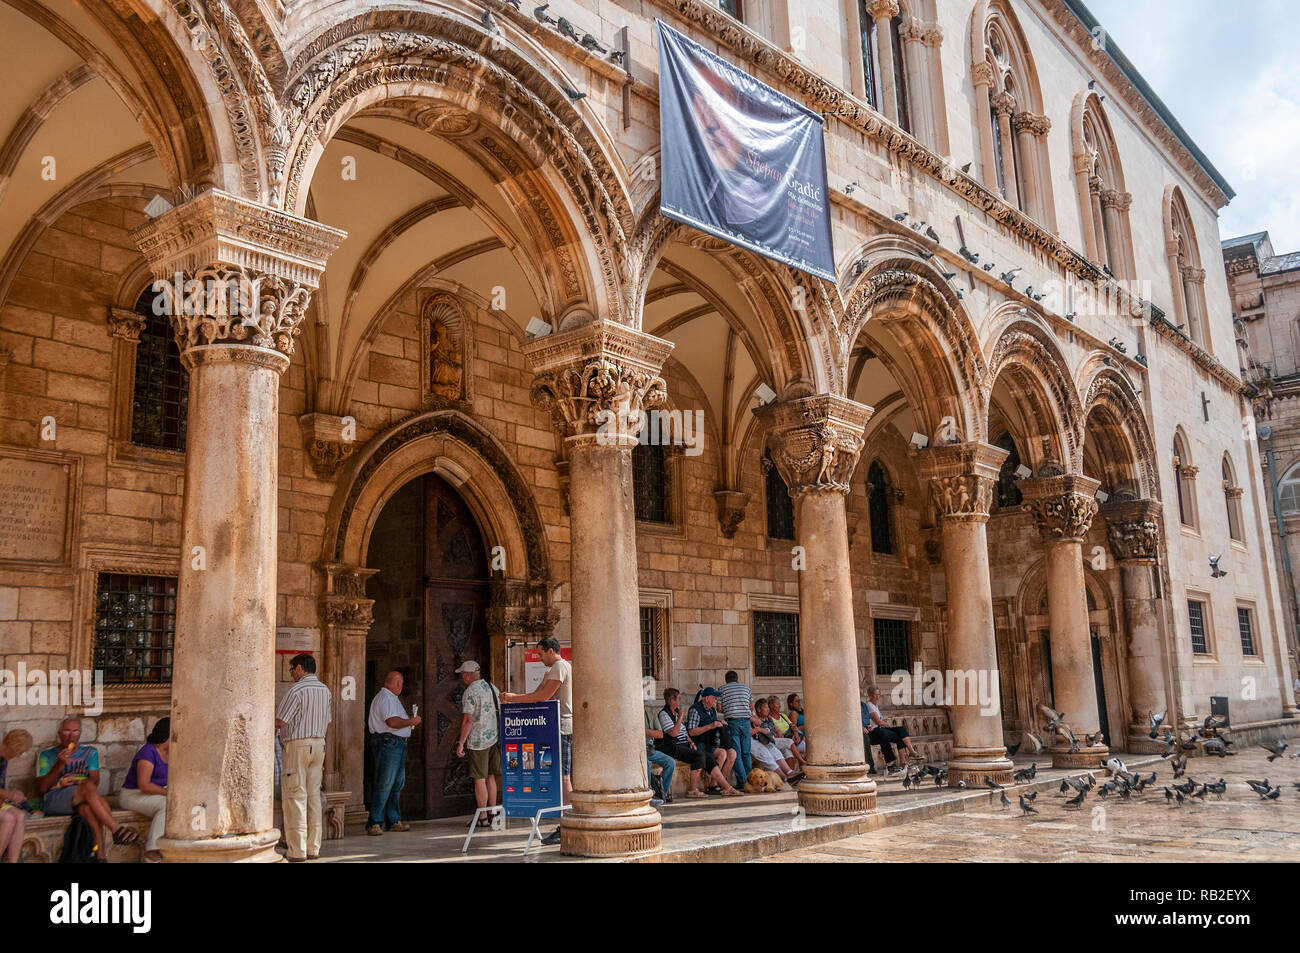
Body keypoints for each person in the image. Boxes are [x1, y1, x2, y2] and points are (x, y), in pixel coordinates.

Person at [501, 637, 574, 845]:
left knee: (563, 776)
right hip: (551, 728)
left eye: (541, 654)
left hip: (561, 727)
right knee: (558, 775)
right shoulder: (553, 670)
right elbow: (536, 695)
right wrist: (516, 701)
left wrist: (513, 698)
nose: (540, 658)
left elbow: (543, 697)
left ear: (551, 651)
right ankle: (565, 822)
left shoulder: (560, 666)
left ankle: (568, 823)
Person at [36, 718, 137, 857]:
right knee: (88, 788)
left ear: (80, 733)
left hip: (83, 797)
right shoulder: (47, 755)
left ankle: (101, 858)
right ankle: (116, 828)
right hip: (55, 799)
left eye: (75, 731)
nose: (71, 736)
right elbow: (42, 788)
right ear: (59, 734)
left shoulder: (90, 752)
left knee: (88, 809)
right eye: (66, 731)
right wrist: (59, 765)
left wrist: (77, 781)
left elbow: (95, 781)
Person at [274, 653, 332, 861]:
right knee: (313, 796)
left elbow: (282, 720)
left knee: (295, 796)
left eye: (291, 670)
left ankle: (297, 850)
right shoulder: (325, 690)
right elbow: (327, 720)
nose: (291, 674)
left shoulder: (297, 690)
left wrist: (267, 722)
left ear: (299, 668)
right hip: (319, 744)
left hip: (298, 745)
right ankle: (313, 847)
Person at [656, 689, 742, 797]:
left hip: (685, 744)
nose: (679, 701)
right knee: (699, 755)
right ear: (672, 700)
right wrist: (681, 717)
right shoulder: (664, 714)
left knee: (709, 757)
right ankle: (692, 790)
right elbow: (674, 733)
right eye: (678, 698)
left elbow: (684, 733)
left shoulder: (677, 712)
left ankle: (727, 787)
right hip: (673, 745)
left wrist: (691, 742)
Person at [367, 670, 421, 836]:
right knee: (385, 783)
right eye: (401, 683)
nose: (401, 686)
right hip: (389, 743)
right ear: (397, 683)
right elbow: (391, 721)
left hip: (395, 744)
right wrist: (411, 721)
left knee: (397, 783)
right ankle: (375, 822)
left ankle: (393, 819)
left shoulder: (391, 698)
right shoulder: (386, 698)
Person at [454, 661, 501, 828]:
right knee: (491, 776)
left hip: (478, 740)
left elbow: (468, 720)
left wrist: (461, 743)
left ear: (467, 675)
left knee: (479, 778)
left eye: (462, 674)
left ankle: (482, 816)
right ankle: (493, 813)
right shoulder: (492, 687)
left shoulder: (470, 692)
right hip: (494, 737)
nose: (462, 677)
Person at [118, 718, 169, 862]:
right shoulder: (148, 752)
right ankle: (152, 850)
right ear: (168, 734)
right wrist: (168, 793)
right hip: (133, 795)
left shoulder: (171, 752)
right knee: (167, 806)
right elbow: (144, 784)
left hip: (155, 793)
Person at [862, 684, 919, 775]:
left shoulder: (875, 706)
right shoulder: (869, 705)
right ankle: (897, 762)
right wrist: (886, 724)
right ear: (870, 695)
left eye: (878, 694)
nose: (877, 697)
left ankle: (909, 753)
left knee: (902, 730)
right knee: (890, 735)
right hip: (875, 731)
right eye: (875, 695)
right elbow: (879, 722)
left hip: (881, 730)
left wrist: (885, 724)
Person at [687, 688, 737, 788]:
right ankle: (713, 785)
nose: (716, 700)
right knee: (722, 753)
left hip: (712, 742)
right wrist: (710, 726)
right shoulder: (695, 710)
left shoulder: (712, 709)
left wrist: (720, 723)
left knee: (732, 753)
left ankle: (721, 784)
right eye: (714, 698)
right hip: (700, 743)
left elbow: (713, 723)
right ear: (706, 698)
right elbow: (691, 732)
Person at [750, 697, 802, 783]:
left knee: (776, 752)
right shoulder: (747, 715)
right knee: (767, 756)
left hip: (767, 740)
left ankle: (790, 773)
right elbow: (755, 727)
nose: (768, 709)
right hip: (755, 742)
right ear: (759, 709)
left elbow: (761, 724)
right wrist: (760, 729)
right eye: (766, 707)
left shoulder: (760, 716)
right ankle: (785, 778)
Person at [0, 728, 32, 863]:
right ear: (15, 748)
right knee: (8, 818)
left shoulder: (3, 759)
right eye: (20, 752)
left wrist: (14, 796)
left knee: (20, 815)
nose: (18, 756)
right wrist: (10, 795)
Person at [720, 670, 754, 786]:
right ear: (737, 679)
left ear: (726, 680)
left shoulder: (722, 689)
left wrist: (729, 709)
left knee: (736, 752)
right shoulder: (746, 688)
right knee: (746, 753)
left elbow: (719, 708)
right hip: (746, 721)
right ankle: (751, 781)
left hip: (732, 722)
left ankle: (743, 782)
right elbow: (751, 707)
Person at [645, 704, 676, 804]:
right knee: (646, 763)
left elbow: (660, 734)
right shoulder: (632, 715)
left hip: (650, 748)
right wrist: (651, 733)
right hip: (639, 749)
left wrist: (644, 731)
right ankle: (649, 795)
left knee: (670, 762)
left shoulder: (650, 713)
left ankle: (662, 794)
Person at [764, 695, 806, 768]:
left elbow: (793, 726)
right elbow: (775, 733)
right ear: (771, 705)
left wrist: (796, 734)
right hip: (783, 741)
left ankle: (801, 768)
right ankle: (799, 765)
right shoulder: (769, 718)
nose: (780, 706)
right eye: (777, 704)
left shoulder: (782, 715)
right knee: (788, 753)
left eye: (779, 703)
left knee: (809, 747)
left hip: (793, 739)